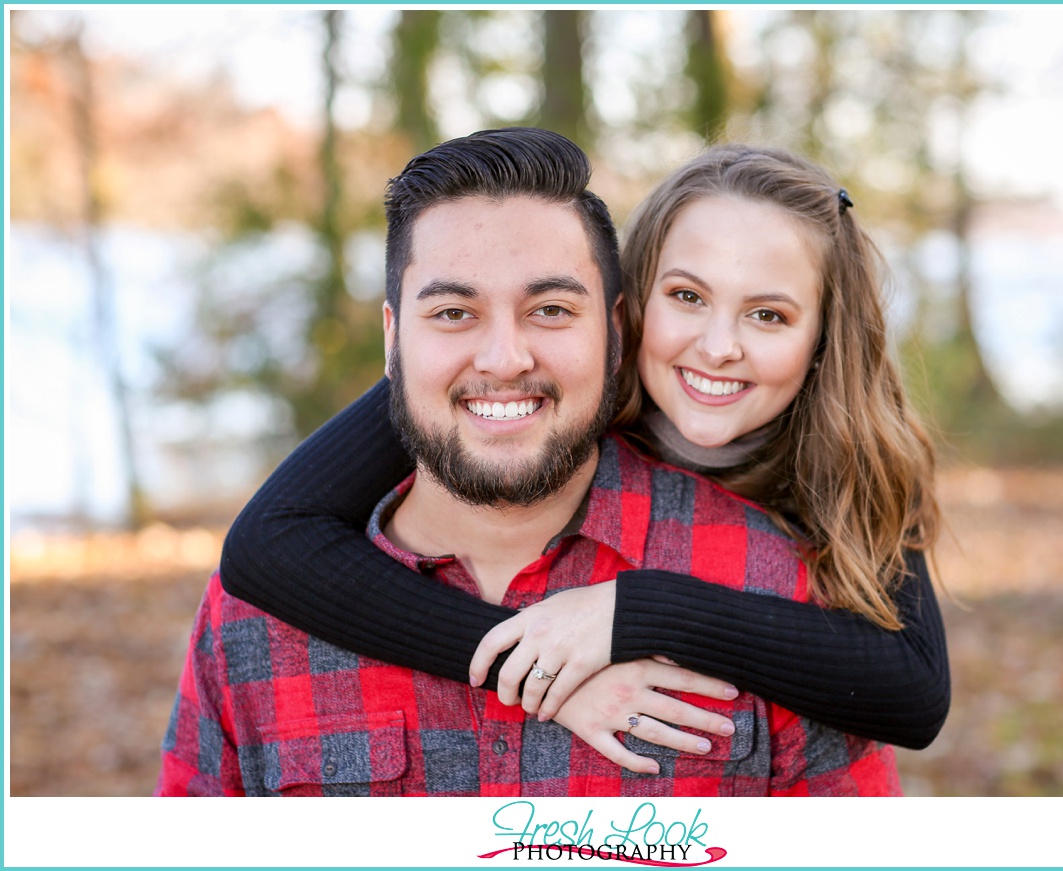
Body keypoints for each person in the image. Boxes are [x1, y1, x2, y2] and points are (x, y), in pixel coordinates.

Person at [155, 127, 902, 797]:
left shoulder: (779, 580)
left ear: (615, 331)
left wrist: (642, 612)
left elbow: (910, 699)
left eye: (550, 309)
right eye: (453, 312)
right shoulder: (256, 614)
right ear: (393, 338)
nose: (505, 358)